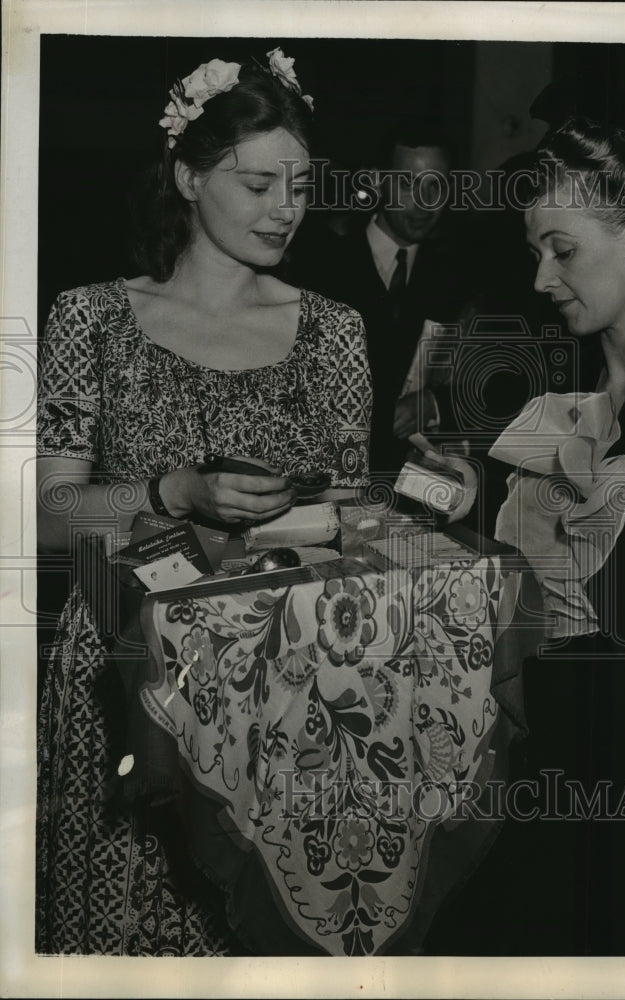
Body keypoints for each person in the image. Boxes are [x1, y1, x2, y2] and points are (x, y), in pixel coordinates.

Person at [35, 51, 372, 956]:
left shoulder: (336, 334)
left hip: (281, 693)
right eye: (259, 182)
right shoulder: (88, 318)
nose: (287, 208)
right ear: (187, 176)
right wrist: (169, 491)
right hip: (121, 680)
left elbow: (351, 528)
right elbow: (46, 514)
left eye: (300, 185)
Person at [424, 116, 625, 956]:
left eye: (561, 250)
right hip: (575, 787)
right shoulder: (578, 393)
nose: (540, 278)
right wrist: (476, 496)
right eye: (536, 252)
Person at [289, 117, 475, 476]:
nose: (424, 202)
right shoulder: (317, 262)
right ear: (377, 180)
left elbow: (494, 380)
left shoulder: (459, 274)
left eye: (437, 185)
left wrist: (438, 404)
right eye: (407, 183)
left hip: (413, 481)